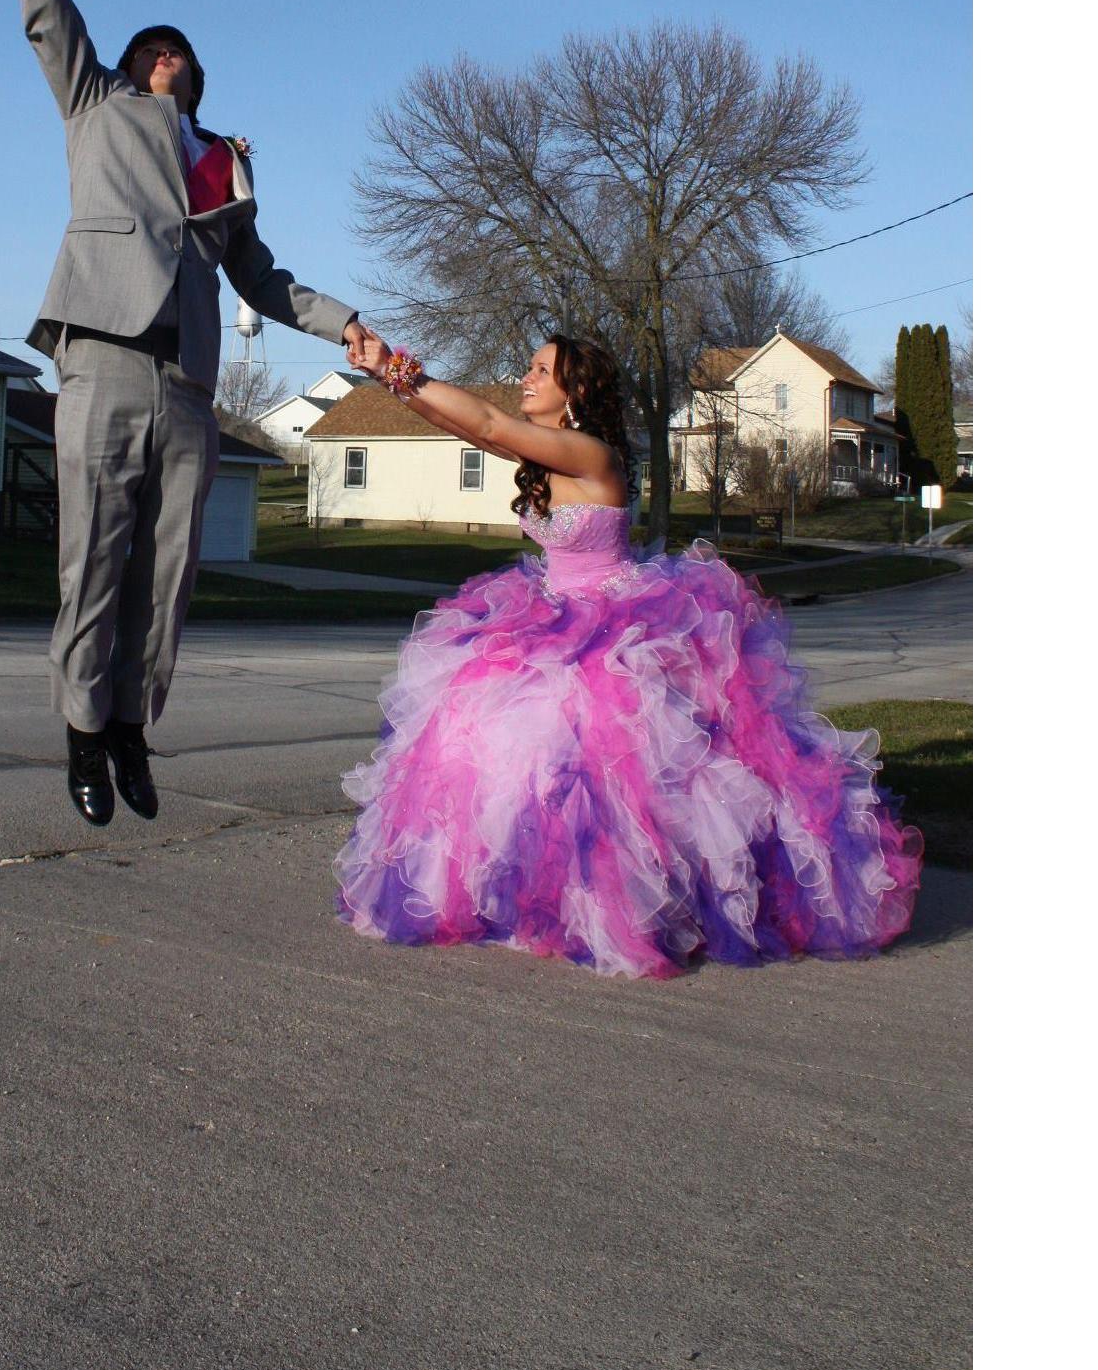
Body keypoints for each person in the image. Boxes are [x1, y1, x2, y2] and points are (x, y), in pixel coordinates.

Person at [333, 330, 923, 979]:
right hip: (551, 612)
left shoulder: (591, 453)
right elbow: (470, 427)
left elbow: (488, 421)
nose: (526, 378)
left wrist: (396, 363)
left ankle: (623, 902)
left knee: (607, 767)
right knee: (487, 733)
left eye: (540, 370)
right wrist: (387, 379)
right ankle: (533, 894)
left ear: (577, 390)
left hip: (612, 627)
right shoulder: (544, 452)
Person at [7, 0, 373, 826]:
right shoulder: (95, 104)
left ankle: (131, 725)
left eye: (179, 49)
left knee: (166, 576)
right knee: (92, 560)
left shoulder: (222, 162)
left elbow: (261, 278)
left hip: (188, 386)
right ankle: (82, 729)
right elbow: (48, 12)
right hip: (103, 358)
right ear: (129, 67)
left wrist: (348, 326)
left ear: (198, 76)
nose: (164, 53)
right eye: (150, 47)